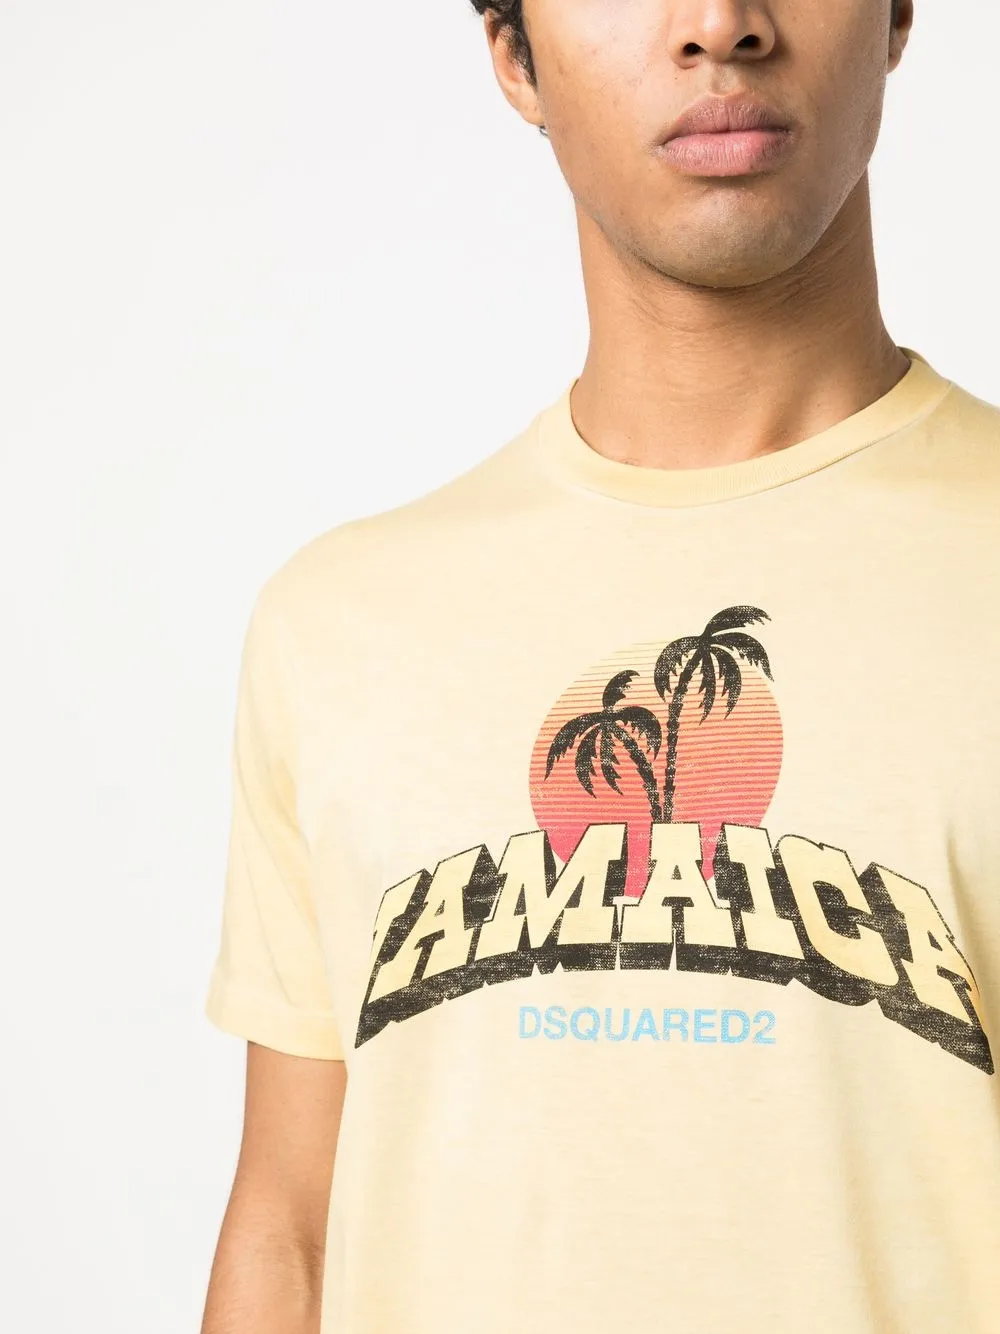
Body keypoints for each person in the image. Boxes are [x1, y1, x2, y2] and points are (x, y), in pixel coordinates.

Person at [200, 2, 1000, 1331]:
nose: (720, 25)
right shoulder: (337, 623)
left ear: (899, 13)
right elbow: (290, 1227)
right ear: (515, 55)